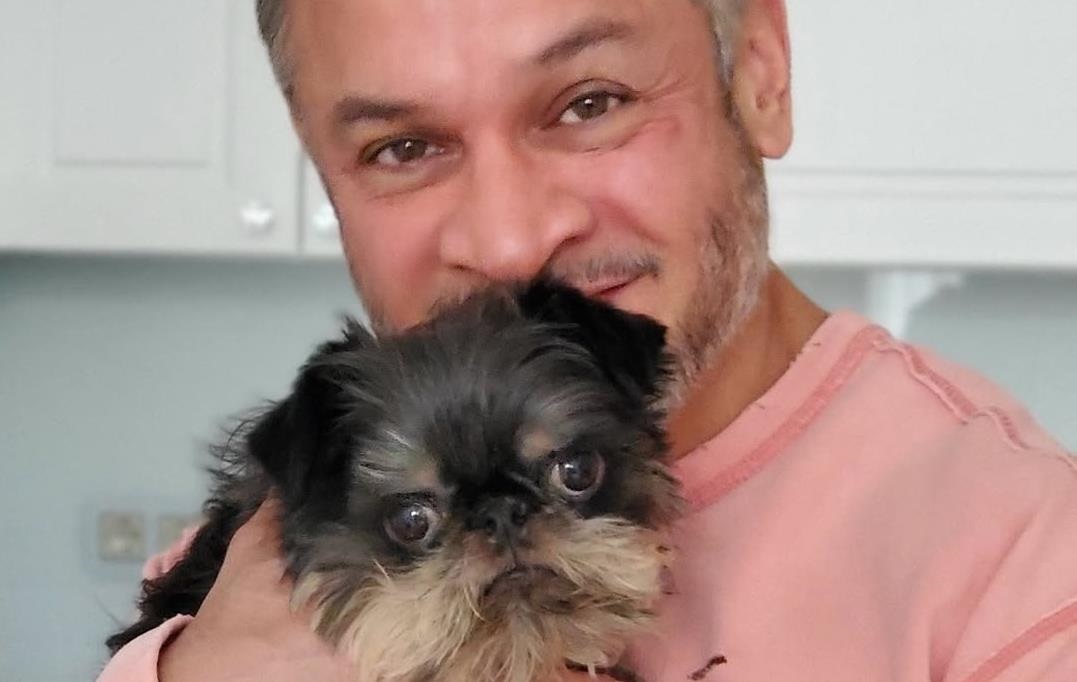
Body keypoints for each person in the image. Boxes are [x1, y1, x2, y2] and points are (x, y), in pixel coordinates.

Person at [99, 0, 1077, 680]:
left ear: (761, 77)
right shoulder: (260, 561)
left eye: (589, 102)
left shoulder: (1022, 557)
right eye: (404, 147)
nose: (511, 240)